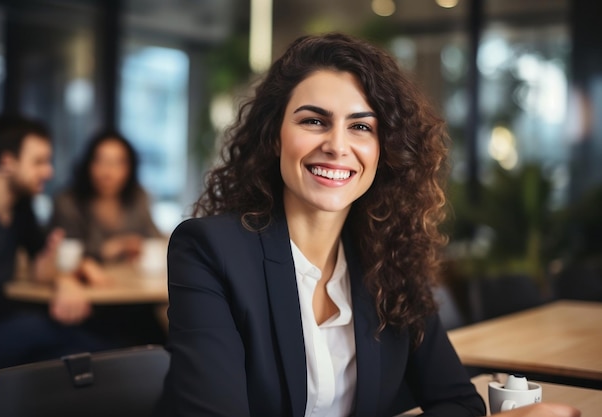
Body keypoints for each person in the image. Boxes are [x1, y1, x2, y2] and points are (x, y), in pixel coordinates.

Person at [155, 33, 580, 417]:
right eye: (314, 121)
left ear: (384, 151)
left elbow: (457, 402)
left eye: (360, 127)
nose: (337, 146)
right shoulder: (209, 250)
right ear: (274, 137)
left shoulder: (390, 260)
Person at [0, 113, 106, 415]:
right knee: (55, 328)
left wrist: (62, 280)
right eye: (39, 161)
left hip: (6, 324)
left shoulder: (20, 206)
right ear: (7, 161)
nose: (48, 171)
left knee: (71, 354)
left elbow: (40, 257)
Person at [50, 129, 166, 345]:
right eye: (101, 161)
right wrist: (107, 250)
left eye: (118, 163)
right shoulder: (68, 200)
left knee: (162, 340)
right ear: (88, 164)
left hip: (134, 300)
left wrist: (139, 247)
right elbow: (64, 253)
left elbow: (154, 238)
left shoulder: (137, 197)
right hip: (91, 303)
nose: (108, 171)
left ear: (130, 168)